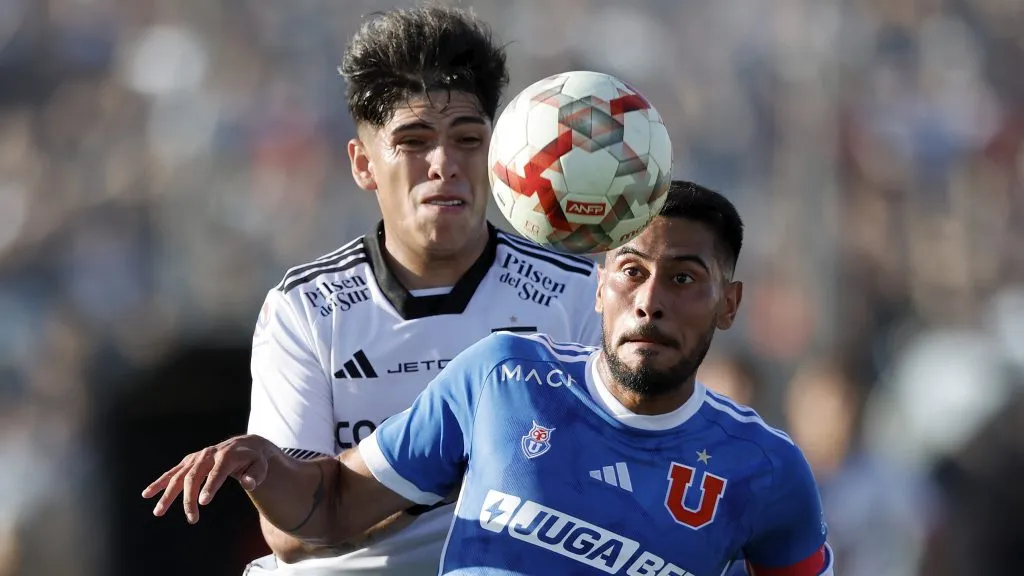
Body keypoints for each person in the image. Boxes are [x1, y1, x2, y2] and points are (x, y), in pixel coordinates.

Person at [145, 181, 835, 576]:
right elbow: (331, 508)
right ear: (599, 287)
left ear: (728, 304)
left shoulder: (766, 469)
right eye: (631, 271)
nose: (649, 301)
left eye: (684, 279)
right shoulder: (504, 376)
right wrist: (266, 467)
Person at [237, 5, 603, 574]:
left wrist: (379, 484)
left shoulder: (577, 293)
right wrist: (461, 464)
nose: (444, 164)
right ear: (363, 164)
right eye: (413, 141)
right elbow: (292, 529)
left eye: (468, 139)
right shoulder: (305, 309)